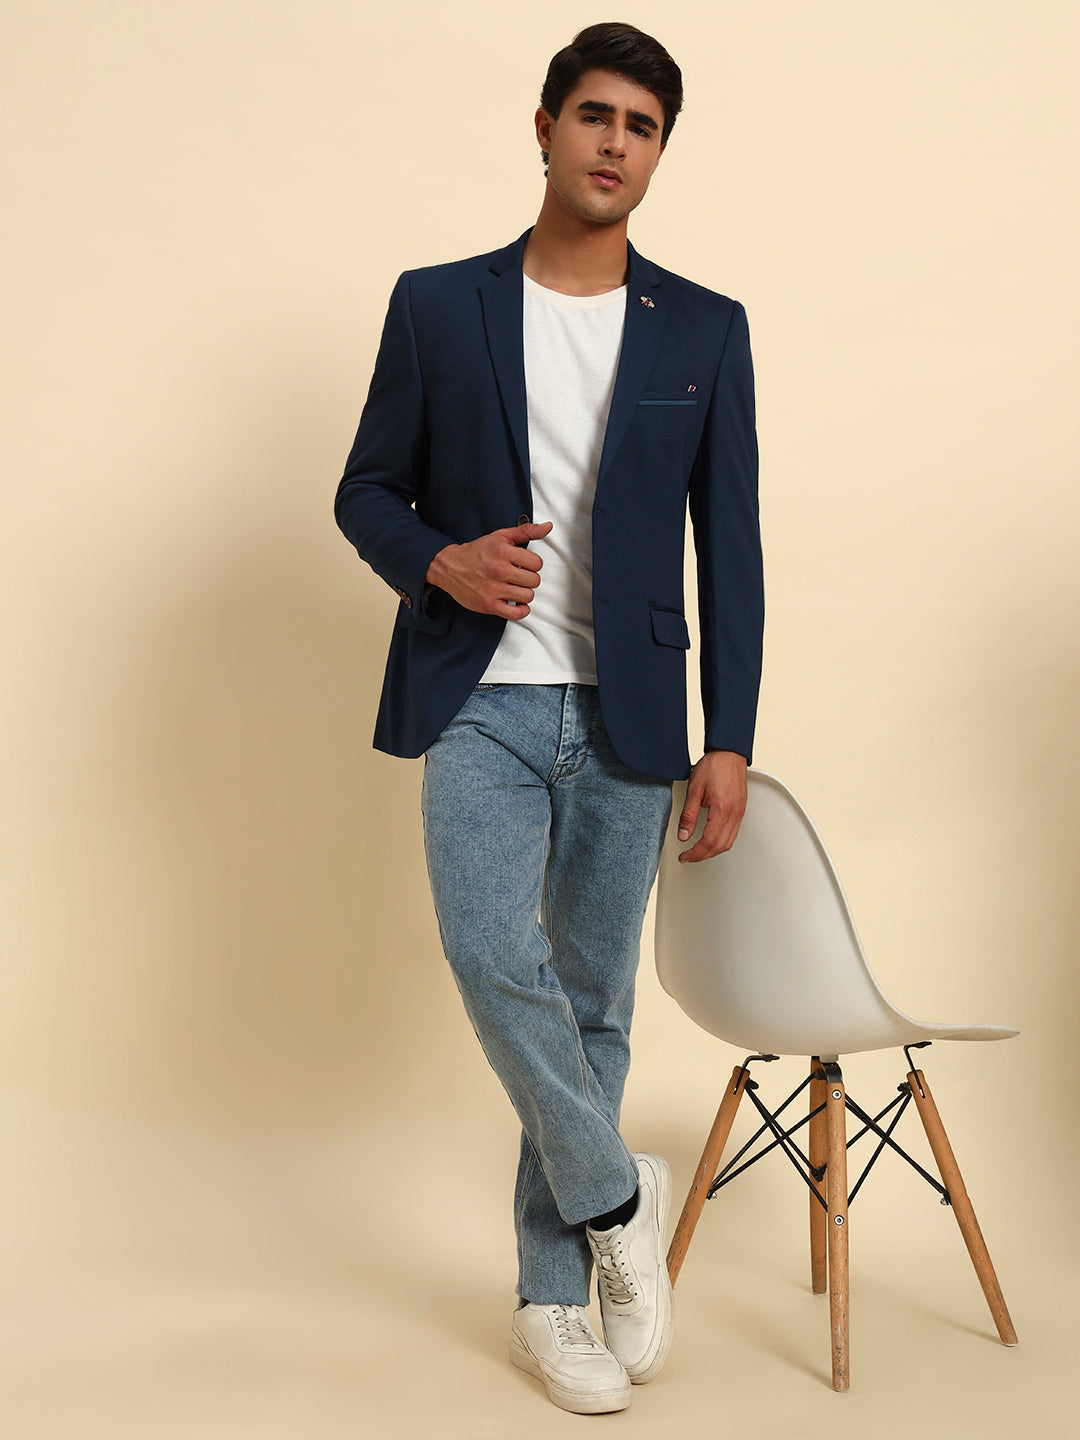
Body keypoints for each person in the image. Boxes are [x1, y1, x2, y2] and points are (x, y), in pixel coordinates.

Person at [335, 22, 763, 1415]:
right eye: (594, 115)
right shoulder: (437, 305)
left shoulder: (704, 327)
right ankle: (615, 1191)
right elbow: (366, 491)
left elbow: (731, 546)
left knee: (593, 1005)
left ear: (659, 152)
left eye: (642, 126)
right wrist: (439, 562)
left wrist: (730, 735)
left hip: (632, 714)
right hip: (479, 695)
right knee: (487, 954)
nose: (614, 143)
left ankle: (552, 1301)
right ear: (544, 127)